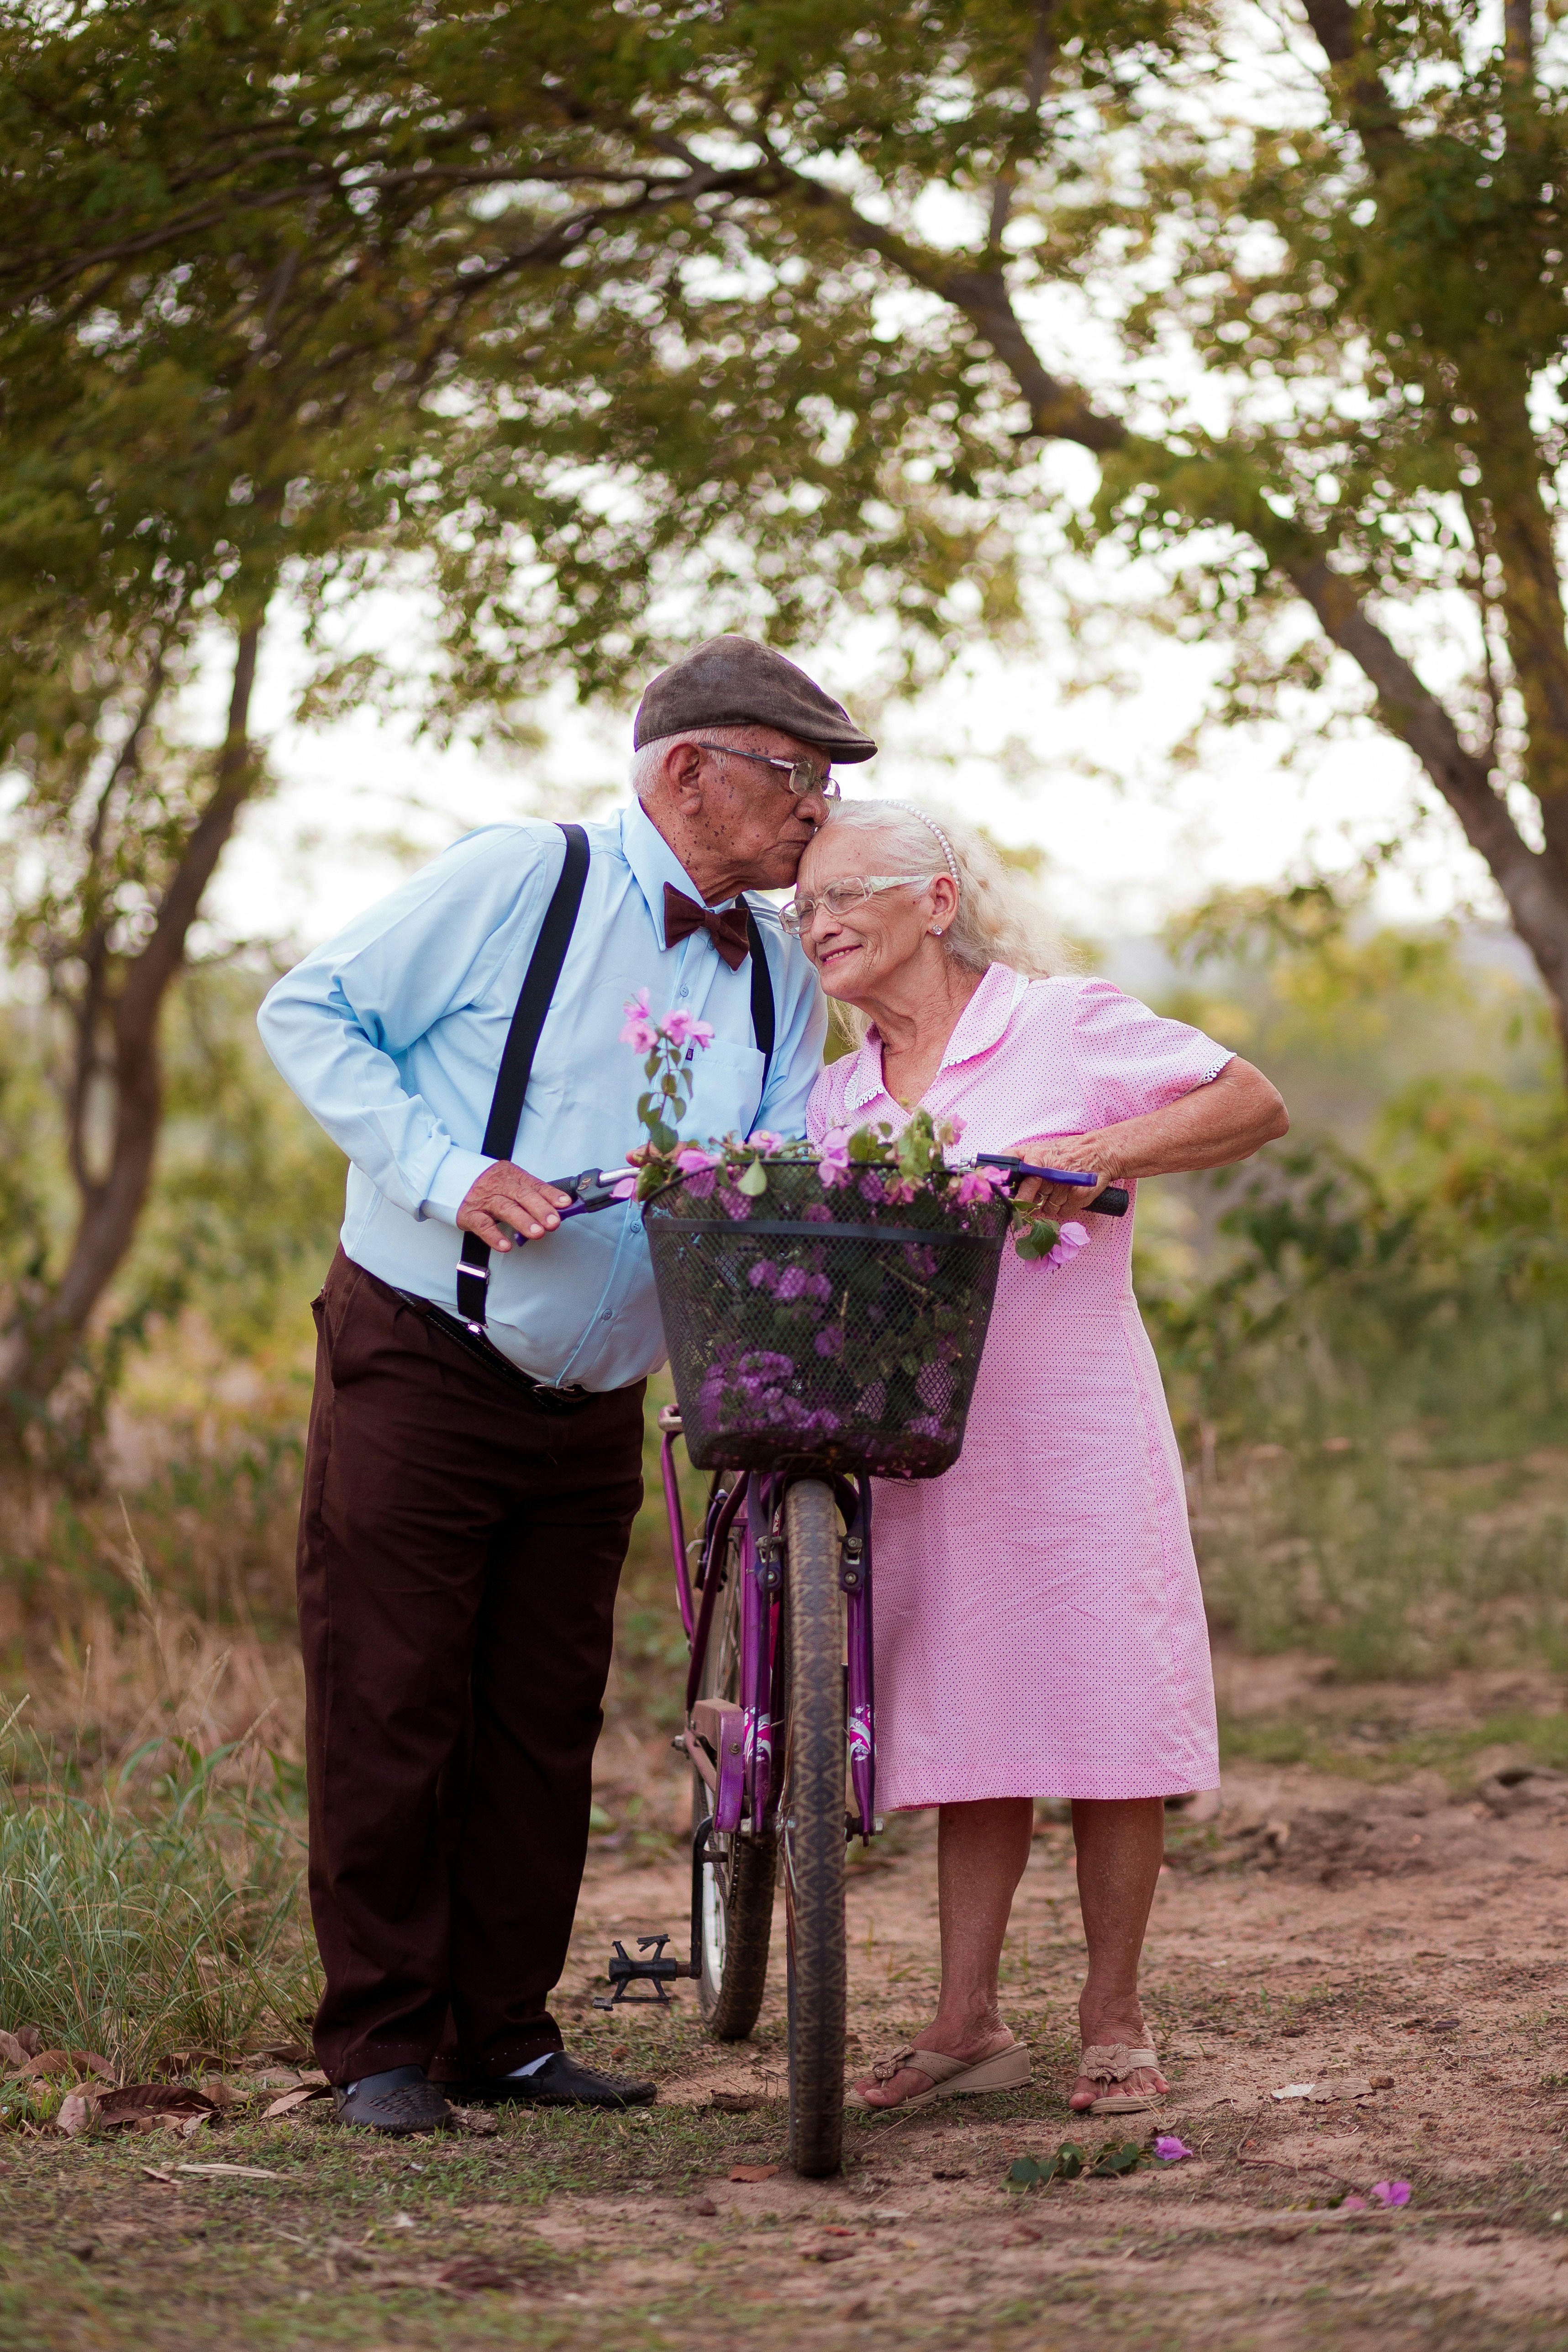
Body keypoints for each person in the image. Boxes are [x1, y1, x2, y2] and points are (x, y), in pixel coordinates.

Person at [258, 637, 876, 2135]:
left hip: (600, 1399)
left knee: (545, 1714)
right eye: (794, 776)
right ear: (689, 772)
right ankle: (384, 2047)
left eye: (827, 785)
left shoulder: (777, 970)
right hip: (426, 1351)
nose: (816, 811)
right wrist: (449, 1172)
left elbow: (771, 1168)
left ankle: (505, 2035)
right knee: (394, 1697)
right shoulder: (522, 877)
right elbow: (309, 1011)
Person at [794, 799, 1288, 2117]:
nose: (819, 923)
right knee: (975, 1719)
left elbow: (1250, 1102)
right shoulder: (838, 1095)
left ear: (936, 901)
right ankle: (964, 2023)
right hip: (926, 1448)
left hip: (1072, 1426)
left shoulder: (1060, 1024)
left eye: (844, 895)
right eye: (803, 907)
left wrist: (1098, 1151)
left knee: (1109, 1715)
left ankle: (1113, 2018)